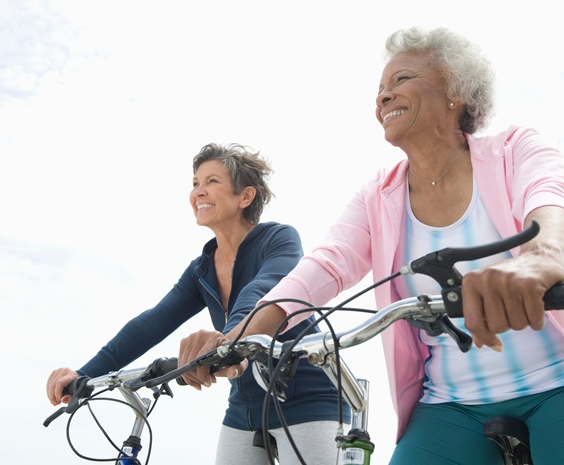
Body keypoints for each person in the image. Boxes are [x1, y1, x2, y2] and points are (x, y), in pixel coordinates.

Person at [178, 27, 564, 464]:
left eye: (402, 80)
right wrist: (236, 339)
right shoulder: (378, 195)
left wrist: (540, 259)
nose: (383, 97)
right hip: (450, 405)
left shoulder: (514, 149)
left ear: (455, 90)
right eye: (380, 89)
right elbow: (323, 267)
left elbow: (554, 195)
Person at [45, 143, 349, 465]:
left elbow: (261, 291)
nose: (198, 192)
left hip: (309, 399)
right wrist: (85, 375)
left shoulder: (278, 239)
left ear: (245, 196)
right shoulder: (201, 269)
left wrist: (225, 341)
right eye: (195, 184)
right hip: (244, 409)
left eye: (212, 181)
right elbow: (153, 322)